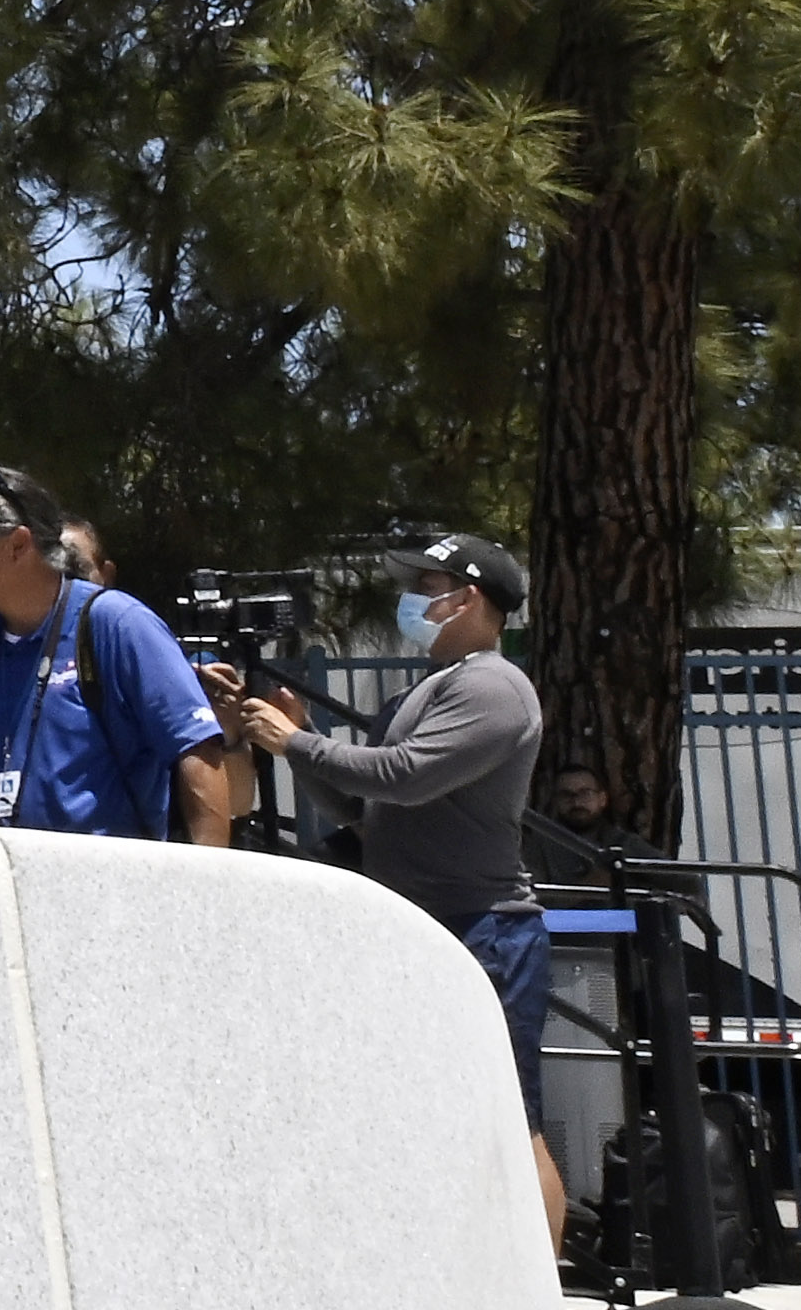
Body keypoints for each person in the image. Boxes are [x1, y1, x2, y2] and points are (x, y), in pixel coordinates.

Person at [232, 536, 562, 1254]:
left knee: (513, 1120)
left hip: (485, 932)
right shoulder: (431, 687)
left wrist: (295, 744)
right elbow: (370, 809)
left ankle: (544, 1297)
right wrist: (295, 735)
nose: (411, 598)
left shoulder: (492, 688)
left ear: (468, 597)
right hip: (426, 926)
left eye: (427, 584)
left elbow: (404, 774)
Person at [0, 465, 245, 844]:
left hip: (112, 888)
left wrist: (204, 893)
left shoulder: (115, 624)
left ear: (18, 544)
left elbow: (197, 752)